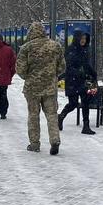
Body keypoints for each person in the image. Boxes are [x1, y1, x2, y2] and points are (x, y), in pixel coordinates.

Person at [16, 21, 66, 155]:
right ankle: (55, 140)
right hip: (50, 88)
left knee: (33, 115)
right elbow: (62, 67)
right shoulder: (55, 46)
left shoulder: (26, 48)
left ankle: (34, 144)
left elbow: (20, 69)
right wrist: (51, 75)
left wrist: (30, 76)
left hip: (32, 89)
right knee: (52, 115)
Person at [58, 30, 98, 135]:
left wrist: (93, 73)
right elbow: (68, 68)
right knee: (73, 103)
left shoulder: (85, 50)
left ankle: (86, 126)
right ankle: (60, 117)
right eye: (81, 38)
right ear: (77, 38)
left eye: (85, 39)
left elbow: (86, 65)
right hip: (72, 81)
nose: (83, 41)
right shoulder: (71, 50)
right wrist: (80, 74)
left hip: (83, 81)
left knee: (85, 102)